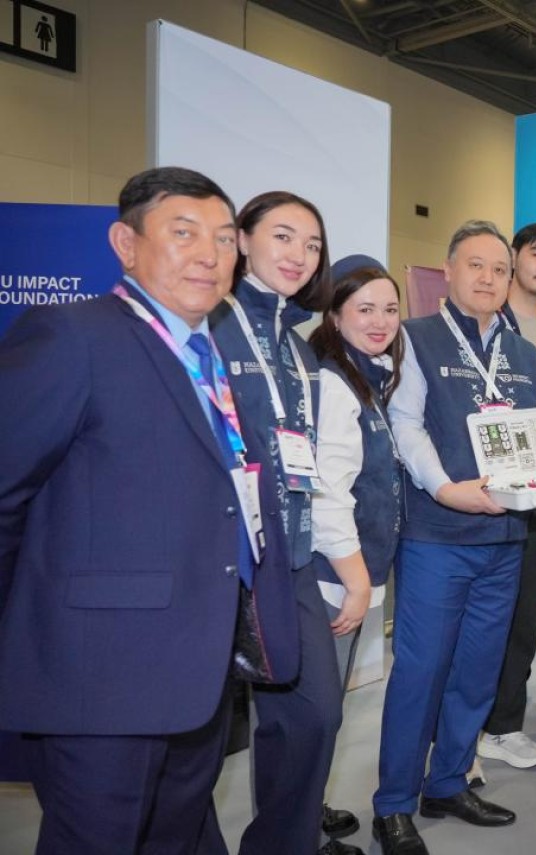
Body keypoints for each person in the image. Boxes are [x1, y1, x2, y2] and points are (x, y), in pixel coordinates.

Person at [0, 166, 298, 853]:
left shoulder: (206, 352)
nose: (208, 255)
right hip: (101, 675)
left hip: (197, 665)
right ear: (125, 243)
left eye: (223, 239)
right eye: (183, 233)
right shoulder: (72, 335)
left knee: (173, 835)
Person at [374, 221, 536, 855]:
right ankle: (394, 803)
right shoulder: (415, 337)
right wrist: (446, 488)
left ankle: (447, 782)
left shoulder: (522, 351)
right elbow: (405, 424)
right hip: (438, 537)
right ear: (447, 271)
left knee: (477, 673)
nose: (488, 278)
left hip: (505, 538)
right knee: (421, 672)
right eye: (475, 265)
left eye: (499, 269)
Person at [210, 191, 347, 855]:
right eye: (284, 236)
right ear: (241, 239)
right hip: (216, 562)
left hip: (288, 561)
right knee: (195, 743)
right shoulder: (209, 323)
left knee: (315, 717)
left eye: (312, 244)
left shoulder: (298, 348)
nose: (299, 255)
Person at [309, 255, 407, 854]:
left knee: (326, 707)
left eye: (390, 309)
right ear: (335, 315)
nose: (380, 321)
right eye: (364, 309)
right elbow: (326, 494)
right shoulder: (334, 384)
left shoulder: (369, 380)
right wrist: (357, 581)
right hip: (332, 579)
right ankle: (297, 829)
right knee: (312, 715)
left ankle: (307, 808)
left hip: (350, 576)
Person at [476, 223, 536, 774]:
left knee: (522, 618)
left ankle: (503, 725)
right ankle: (459, 727)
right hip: (477, 497)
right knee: (475, 622)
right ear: (514, 258)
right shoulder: (483, 321)